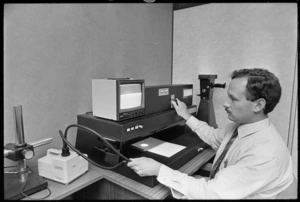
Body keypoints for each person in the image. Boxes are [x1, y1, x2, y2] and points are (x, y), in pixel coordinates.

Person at [127, 68, 294, 199]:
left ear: (258, 105)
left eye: (233, 99)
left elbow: (212, 194)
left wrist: (158, 170)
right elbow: (213, 136)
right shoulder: (239, 128)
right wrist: (186, 115)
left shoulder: (264, 154)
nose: (226, 104)